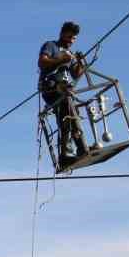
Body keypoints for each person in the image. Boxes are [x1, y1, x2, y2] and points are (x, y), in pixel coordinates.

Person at [38, 21, 90, 168]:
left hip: (65, 91)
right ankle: (65, 154)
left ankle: (80, 148)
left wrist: (80, 62)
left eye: (73, 39)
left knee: (72, 115)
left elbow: (76, 74)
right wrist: (61, 59)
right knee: (67, 113)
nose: (71, 41)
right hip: (51, 88)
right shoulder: (51, 46)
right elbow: (42, 62)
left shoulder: (70, 54)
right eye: (69, 37)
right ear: (62, 34)